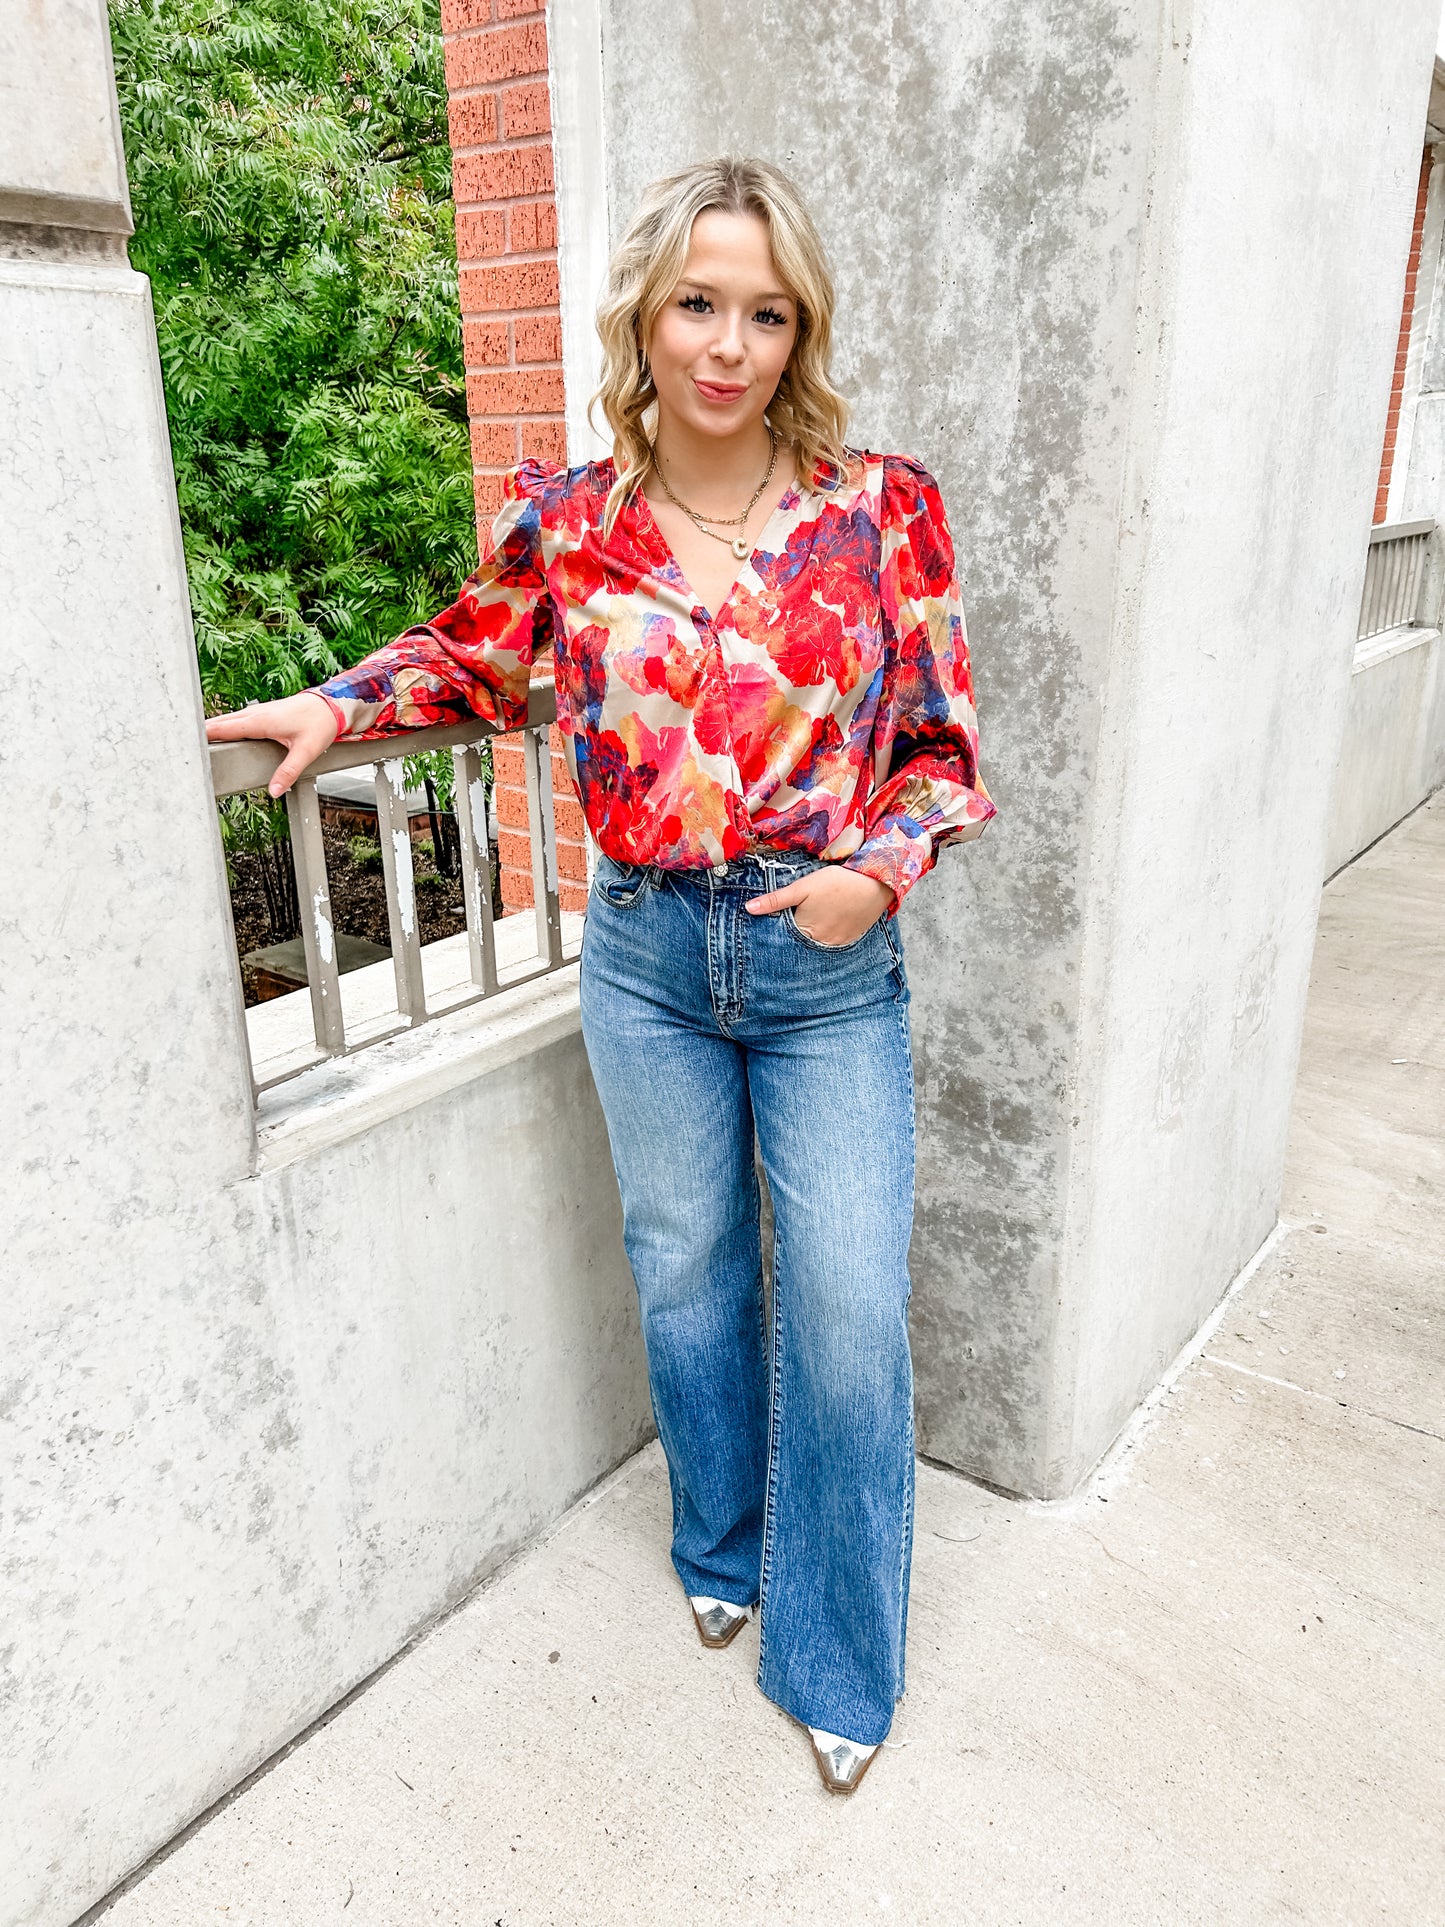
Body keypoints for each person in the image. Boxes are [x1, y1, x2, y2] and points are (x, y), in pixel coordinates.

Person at [206, 155, 996, 1795]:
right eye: (697, 304)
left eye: (765, 312)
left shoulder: (880, 506)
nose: (728, 344)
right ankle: (717, 1539)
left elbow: (939, 747)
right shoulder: (573, 522)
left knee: (846, 1308)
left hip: (823, 954)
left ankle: (834, 1655)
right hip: (641, 952)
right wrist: (337, 706)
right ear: (644, 311)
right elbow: (468, 649)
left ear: (801, 329)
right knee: (688, 1266)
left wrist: (872, 877)